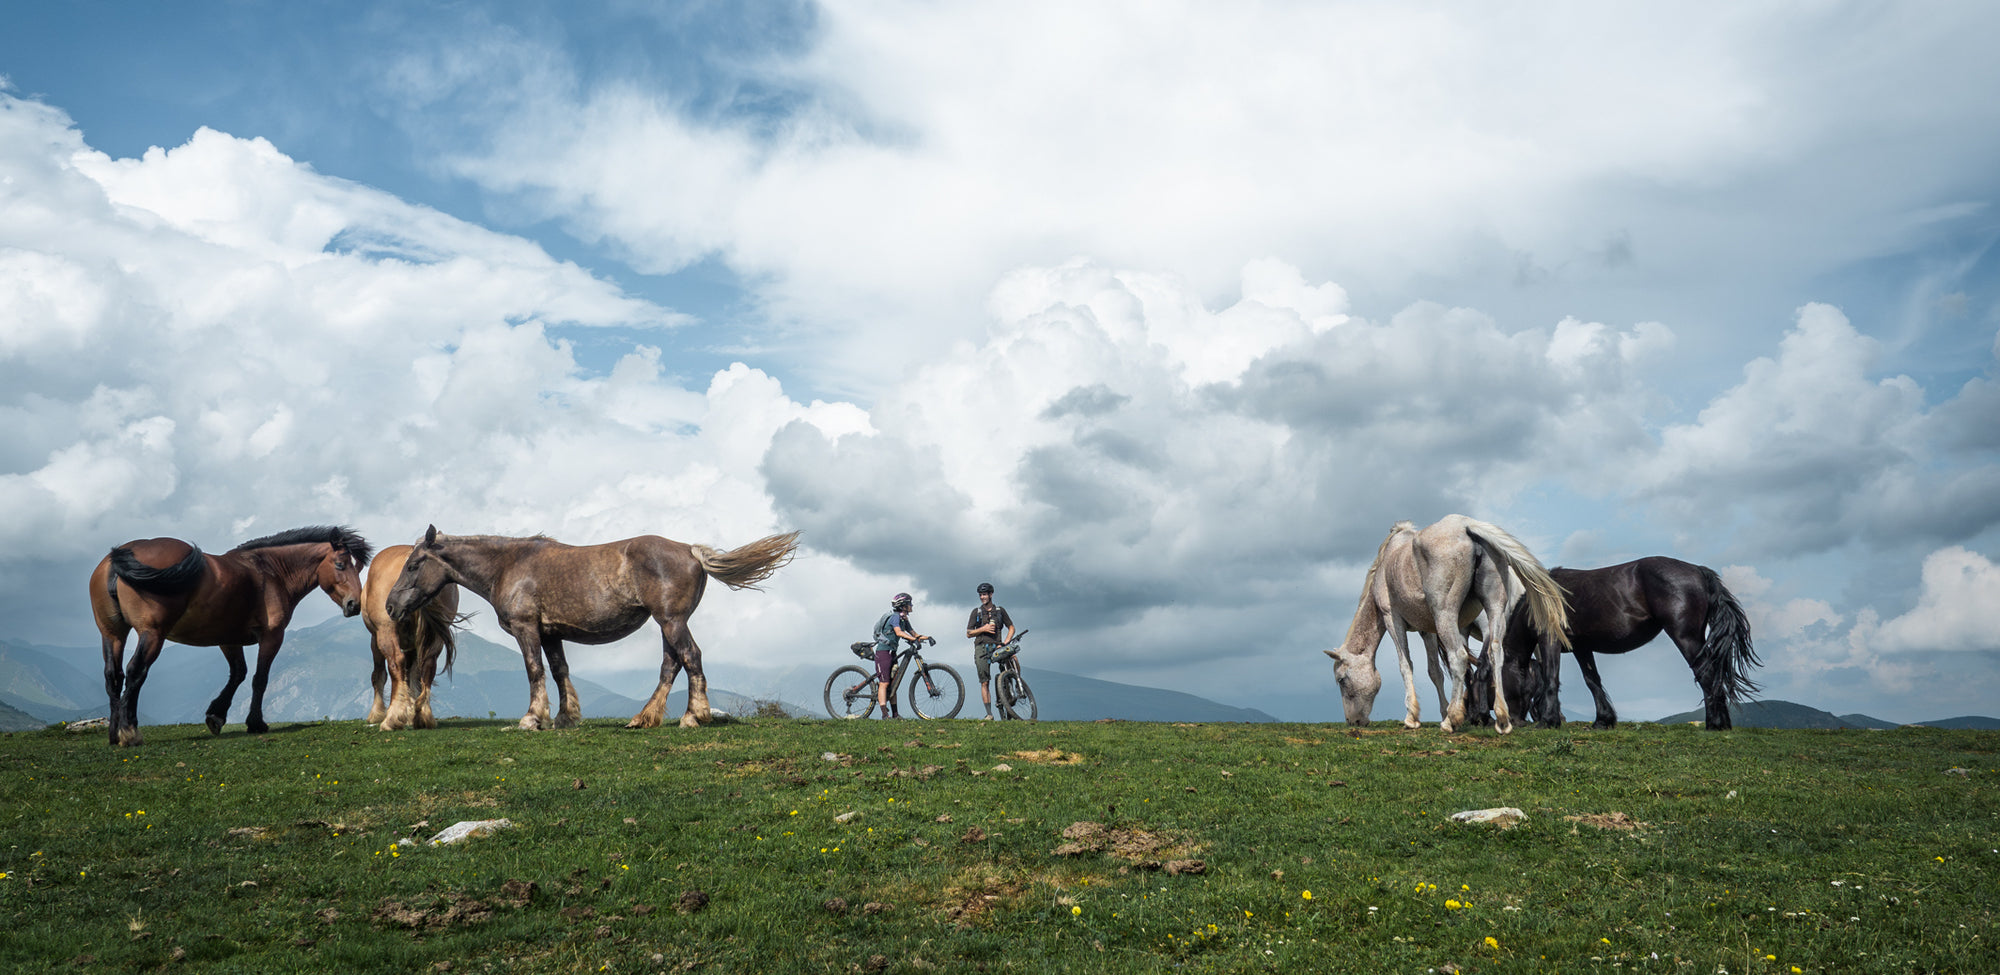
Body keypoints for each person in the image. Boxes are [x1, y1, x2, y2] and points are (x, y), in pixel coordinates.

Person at [964, 582, 1016, 720]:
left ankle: (1014, 687)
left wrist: (1006, 642)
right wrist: (983, 629)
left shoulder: (999, 610)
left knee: (1013, 659)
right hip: (981, 647)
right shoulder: (976, 612)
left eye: (985, 594)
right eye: (981, 595)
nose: (982, 597)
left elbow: (1011, 627)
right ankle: (989, 714)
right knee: (984, 681)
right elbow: (968, 633)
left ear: (991, 594)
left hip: (998, 646)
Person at [872, 592, 928, 719]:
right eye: (909, 604)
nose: (911, 606)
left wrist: (927, 638)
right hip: (883, 652)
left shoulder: (903, 619)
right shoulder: (895, 617)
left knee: (893, 684)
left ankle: (895, 714)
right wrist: (913, 640)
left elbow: (914, 634)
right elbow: (898, 632)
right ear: (903, 606)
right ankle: (885, 715)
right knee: (884, 682)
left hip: (892, 653)